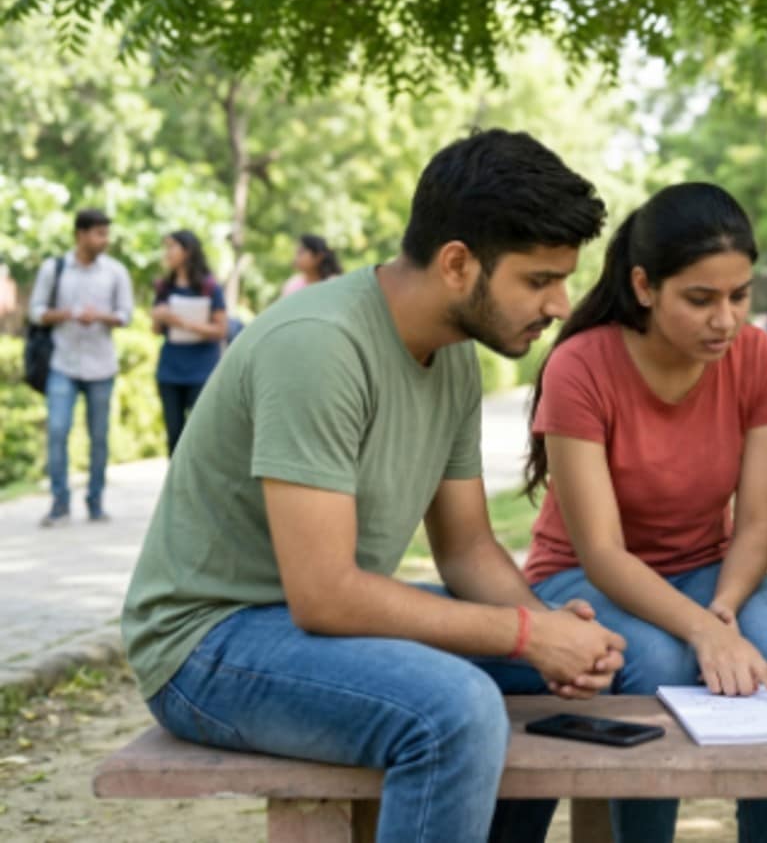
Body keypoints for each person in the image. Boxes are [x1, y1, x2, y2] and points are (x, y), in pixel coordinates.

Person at [121, 129, 624, 843]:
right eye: (539, 280)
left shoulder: (452, 359)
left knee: (592, 661)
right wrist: (522, 633)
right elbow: (325, 593)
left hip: (302, 626)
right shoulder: (319, 346)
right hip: (206, 644)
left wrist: (547, 635)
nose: (559, 303)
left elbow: (470, 549)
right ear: (457, 263)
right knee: (457, 710)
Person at [520, 182, 767, 843]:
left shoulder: (761, 359)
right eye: (701, 299)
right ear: (645, 286)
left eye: (740, 296)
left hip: (711, 570)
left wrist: (724, 612)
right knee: (655, 660)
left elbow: (759, 522)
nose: (726, 321)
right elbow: (600, 550)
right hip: (583, 576)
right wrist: (703, 634)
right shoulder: (581, 367)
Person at [29, 208, 133, 526]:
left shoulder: (115, 272)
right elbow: (35, 312)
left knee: (99, 436)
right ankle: (60, 502)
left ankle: (95, 502)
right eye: (98, 233)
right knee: (58, 431)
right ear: (80, 235)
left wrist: (99, 316)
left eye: (106, 233)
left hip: (102, 366)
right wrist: (68, 314)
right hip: (63, 362)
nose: (105, 240)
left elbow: (126, 314)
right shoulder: (55, 269)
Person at [150, 229, 228, 455]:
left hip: (201, 369)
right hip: (170, 369)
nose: (167, 253)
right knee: (173, 433)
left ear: (187, 251)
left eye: (172, 247)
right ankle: (177, 488)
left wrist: (182, 322)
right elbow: (156, 330)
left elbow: (220, 330)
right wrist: (159, 317)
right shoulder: (164, 287)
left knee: (200, 433)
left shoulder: (209, 287)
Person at [280, 232, 343, 297]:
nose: (296, 258)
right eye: (296, 253)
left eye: (301, 253)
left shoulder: (334, 284)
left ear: (318, 257)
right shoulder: (292, 286)